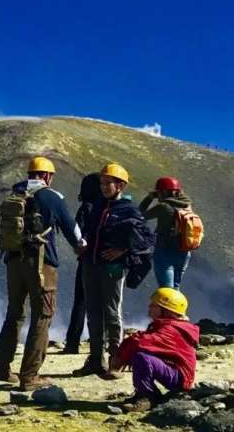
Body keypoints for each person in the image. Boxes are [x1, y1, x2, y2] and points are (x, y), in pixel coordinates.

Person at [0, 157, 85, 391]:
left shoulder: (16, 193)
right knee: (42, 315)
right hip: (41, 264)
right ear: (48, 176)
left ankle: (0, 367)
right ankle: (30, 376)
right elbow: (72, 229)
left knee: (15, 313)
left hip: (13, 261)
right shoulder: (51, 197)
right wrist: (81, 244)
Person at [74, 163, 147, 380]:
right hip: (90, 264)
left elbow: (146, 240)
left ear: (121, 185)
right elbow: (86, 230)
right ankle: (96, 359)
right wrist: (83, 242)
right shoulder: (96, 206)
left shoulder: (129, 211)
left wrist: (123, 250)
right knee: (93, 312)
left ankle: (115, 359)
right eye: (102, 183)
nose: (104, 187)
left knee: (112, 312)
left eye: (109, 183)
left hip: (113, 269)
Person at [110, 288, 199, 413]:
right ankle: (144, 393)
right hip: (175, 372)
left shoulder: (171, 330)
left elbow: (140, 343)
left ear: (167, 311)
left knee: (141, 357)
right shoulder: (167, 325)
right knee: (141, 354)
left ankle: (148, 396)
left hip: (179, 377)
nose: (149, 307)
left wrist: (119, 359)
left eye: (154, 305)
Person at [64, 173, 103, 354]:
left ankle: (72, 343)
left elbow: (77, 233)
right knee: (105, 303)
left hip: (87, 260)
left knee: (81, 302)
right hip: (107, 261)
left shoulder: (86, 207)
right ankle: (103, 344)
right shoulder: (108, 206)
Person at [139, 177, 195, 289]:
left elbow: (139, 214)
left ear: (164, 192)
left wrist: (150, 197)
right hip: (184, 252)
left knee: (166, 290)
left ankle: (164, 307)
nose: (157, 194)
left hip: (165, 251)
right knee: (175, 287)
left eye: (158, 192)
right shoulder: (187, 206)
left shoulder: (164, 207)